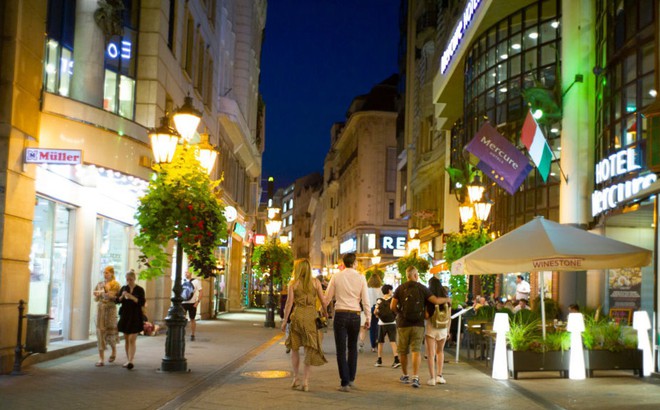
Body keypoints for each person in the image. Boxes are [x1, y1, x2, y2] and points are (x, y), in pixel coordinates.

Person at [391, 266, 451, 389]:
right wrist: (447, 299)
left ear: (407, 275)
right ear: (415, 275)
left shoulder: (400, 288)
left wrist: (400, 314)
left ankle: (405, 375)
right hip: (418, 324)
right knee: (416, 350)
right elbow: (434, 300)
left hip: (403, 324)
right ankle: (416, 377)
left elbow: (392, 306)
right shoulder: (422, 288)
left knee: (403, 351)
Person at [323, 252, 371, 392]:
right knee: (352, 348)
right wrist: (368, 317)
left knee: (341, 349)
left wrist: (322, 307)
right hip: (355, 314)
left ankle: (344, 382)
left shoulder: (337, 276)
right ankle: (351, 379)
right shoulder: (361, 277)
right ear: (355, 263)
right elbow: (366, 300)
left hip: (341, 314)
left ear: (343, 263)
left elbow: (328, 297)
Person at [280, 259, 328, 392]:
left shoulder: (293, 284)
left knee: (295, 348)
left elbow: (289, 304)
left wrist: (285, 321)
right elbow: (323, 301)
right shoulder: (316, 282)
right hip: (311, 317)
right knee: (309, 349)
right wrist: (326, 313)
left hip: (297, 316)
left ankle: (296, 378)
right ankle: (306, 382)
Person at [117, 269, 145, 370]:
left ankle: (131, 360)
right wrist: (121, 297)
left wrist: (131, 297)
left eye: (131, 279)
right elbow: (117, 300)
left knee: (132, 339)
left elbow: (141, 302)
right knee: (126, 339)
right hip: (125, 315)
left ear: (134, 279)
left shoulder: (140, 289)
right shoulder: (124, 288)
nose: (129, 281)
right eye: (127, 279)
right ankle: (128, 360)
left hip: (135, 316)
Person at [92, 265, 120, 367]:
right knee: (100, 332)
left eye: (107, 272)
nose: (105, 274)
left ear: (112, 273)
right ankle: (101, 358)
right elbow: (95, 298)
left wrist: (106, 291)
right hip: (100, 310)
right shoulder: (100, 284)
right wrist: (96, 295)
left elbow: (114, 297)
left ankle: (113, 351)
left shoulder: (115, 284)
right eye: (104, 272)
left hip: (110, 310)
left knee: (111, 332)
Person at [425, 276, 450, 386]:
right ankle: (439, 376)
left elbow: (426, 315)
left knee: (431, 354)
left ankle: (432, 378)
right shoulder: (446, 298)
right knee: (440, 351)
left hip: (431, 327)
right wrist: (448, 330)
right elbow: (449, 316)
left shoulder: (429, 298)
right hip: (443, 328)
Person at [374, 284, 400, 368]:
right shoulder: (393, 300)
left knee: (380, 342)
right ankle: (396, 359)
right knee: (393, 341)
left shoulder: (379, 300)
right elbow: (396, 310)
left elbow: (375, 312)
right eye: (391, 290)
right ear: (389, 290)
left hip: (381, 323)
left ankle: (379, 359)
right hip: (392, 323)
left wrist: (378, 315)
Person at [361, 273, 382, 353]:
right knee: (379, 327)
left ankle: (373, 346)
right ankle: (378, 341)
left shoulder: (367, 289)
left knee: (372, 328)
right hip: (379, 309)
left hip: (370, 309)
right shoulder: (381, 289)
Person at [182, 269, 203, 341]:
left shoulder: (196, 281)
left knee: (192, 319)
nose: (186, 274)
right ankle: (181, 333)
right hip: (183, 303)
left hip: (192, 303)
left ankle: (192, 334)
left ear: (190, 273)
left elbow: (201, 292)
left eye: (187, 272)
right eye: (185, 272)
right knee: (182, 318)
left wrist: (197, 302)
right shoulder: (182, 281)